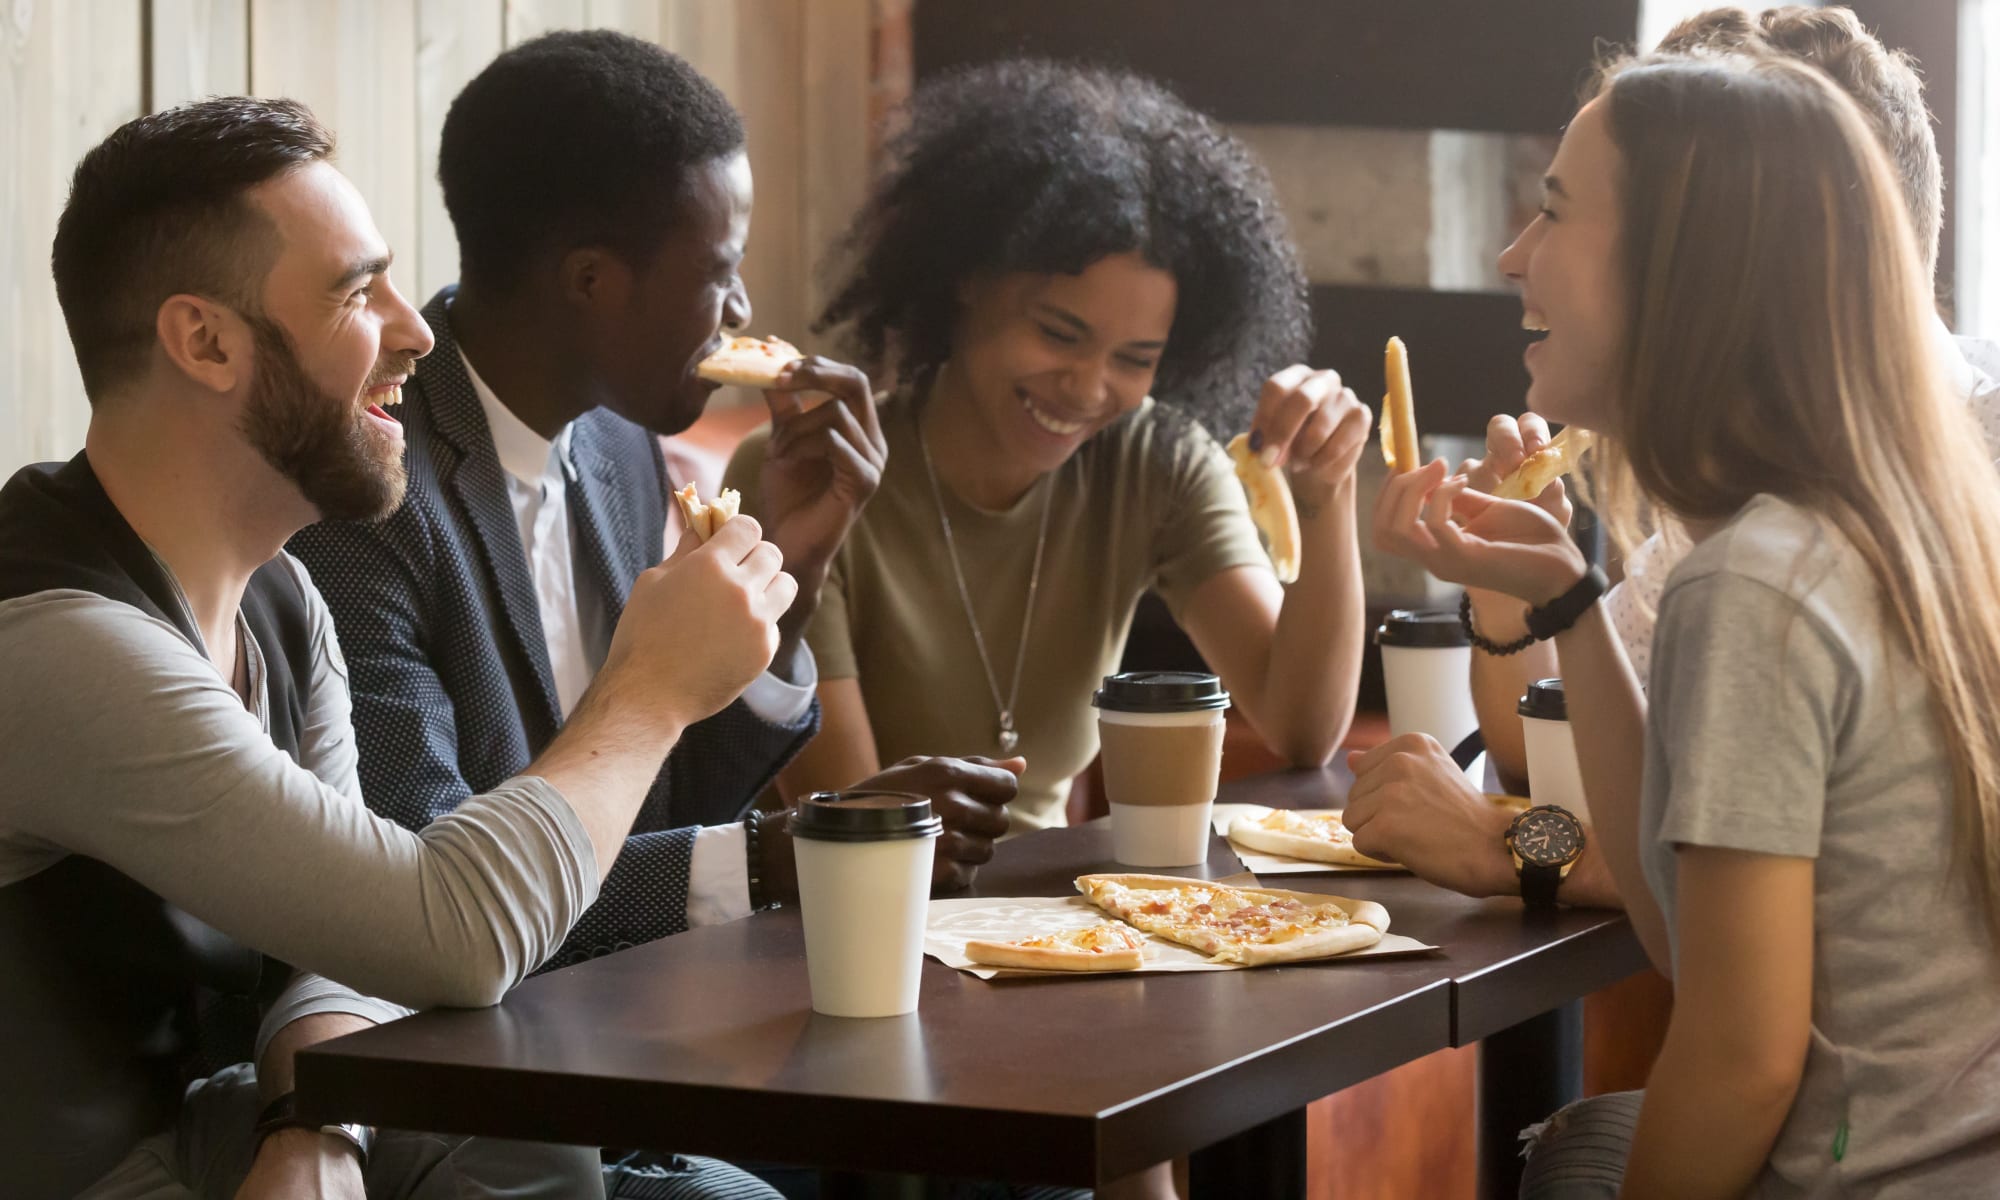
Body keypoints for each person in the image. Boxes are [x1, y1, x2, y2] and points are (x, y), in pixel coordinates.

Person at [1, 96, 794, 1199]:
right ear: (207, 341)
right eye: (354, 292)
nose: (415, 330)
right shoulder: (55, 643)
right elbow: (448, 932)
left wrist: (308, 1126)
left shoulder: (282, 594)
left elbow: (332, 942)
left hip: (222, 1126)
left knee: (590, 1146)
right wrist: (649, 690)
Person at [1372, 46, 2000, 1198]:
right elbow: (1683, 940)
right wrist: (1567, 601)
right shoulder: (1880, 526)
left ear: (1684, 272)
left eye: (1552, 213)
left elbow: (1737, 1062)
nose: (1511, 256)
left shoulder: (1758, 586)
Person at [287, 31, 1019, 973]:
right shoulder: (368, 496)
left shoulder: (621, 445)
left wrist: (792, 568)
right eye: (721, 270)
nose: (743, 310)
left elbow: (670, 810)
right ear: (591, 280)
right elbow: (439, 893)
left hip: (644, 1025)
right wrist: (775, 857)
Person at [726, 59, 1373, 833]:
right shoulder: (806, 478)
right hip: (837, 921)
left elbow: (1300, 728)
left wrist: (1326, 494)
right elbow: (861, 831)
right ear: (966, 279)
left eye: (1135, 359)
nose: (1089, 388)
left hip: (1049, 925)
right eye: (1059, 334)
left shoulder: (1155, 463)